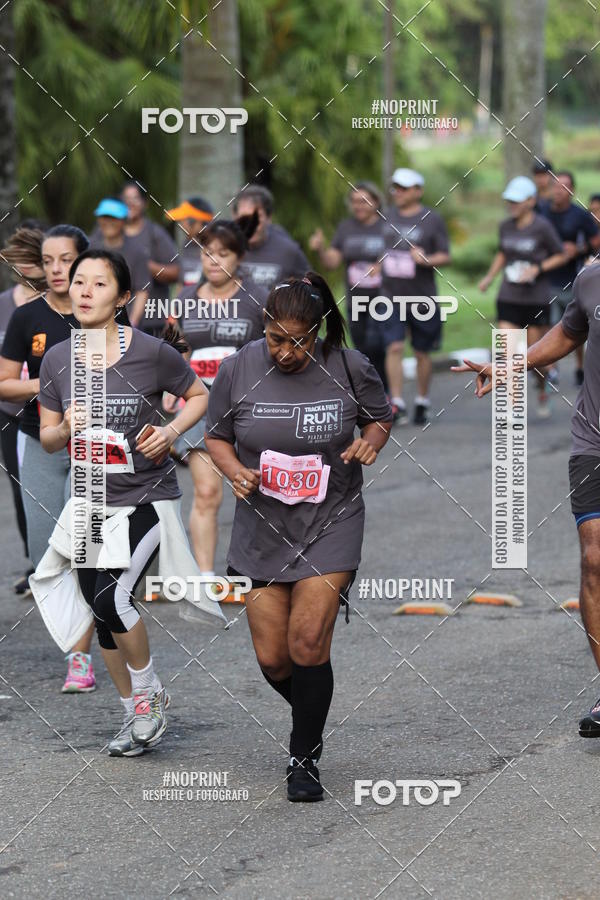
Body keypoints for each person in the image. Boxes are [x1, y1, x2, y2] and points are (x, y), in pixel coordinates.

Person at [205, 272, 392, 801]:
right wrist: (233, 470)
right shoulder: (238, 368)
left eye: (298, 340)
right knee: (274, 659)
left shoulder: (350, 366)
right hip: (261, 529)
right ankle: (312, 712)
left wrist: (370, 443)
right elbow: (215, 436)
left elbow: (379, 417)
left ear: (319, 332)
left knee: (308, 643)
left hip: (331, 521)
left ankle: (303, 756)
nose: (285, 352)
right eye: (275, 339)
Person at [33, 248, 224, 756]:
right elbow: (49, 438)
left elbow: (199, 395)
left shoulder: (150, 353)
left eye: (98, 284)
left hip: (145, 496)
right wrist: (66, 428)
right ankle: (132, 714)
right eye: (78, 283)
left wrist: (171, 432)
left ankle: (149, 693)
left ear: (121, 297)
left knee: (112, 598)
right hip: (91, 500)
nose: (85, 292)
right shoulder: (56, 359)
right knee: (102, 614)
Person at [452, 261, 600, 740]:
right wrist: (511, 364)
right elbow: (568, 331)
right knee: (595, 559)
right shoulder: (592, 277)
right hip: (593, 441)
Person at [0, 225, 98, 692]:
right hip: (38, 441)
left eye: (66, 260)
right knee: (45, 558)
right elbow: (2, 383)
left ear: (83, 262)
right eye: (49, 260)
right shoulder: (26, 317)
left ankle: (79, 657)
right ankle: (75, 641)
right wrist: (48, 387)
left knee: (85, 550)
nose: (57, 269)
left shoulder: (100, 313)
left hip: (92, 449)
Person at [172, 212, 267, 579]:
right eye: (207, 253)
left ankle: (262, 572)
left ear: (239, 258)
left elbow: (276, 351)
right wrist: (173, 387)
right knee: (208, 493)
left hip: (251, 410)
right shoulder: (184, 298)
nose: (213, 262)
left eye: (223, 254)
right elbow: (176, 350)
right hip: (201, 407)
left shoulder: (257, 299)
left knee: (257, 495)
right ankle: (204, 578)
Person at [478, 176, 568, 417]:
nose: (512, 205)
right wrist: (489, 277)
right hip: (508, 296)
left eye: (517, 200)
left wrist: (538, 269)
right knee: (509, 353)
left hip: (535, 299)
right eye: (509, 200)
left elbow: (561, 255)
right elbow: (502, 253)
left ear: (531, 201)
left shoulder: (543, 226)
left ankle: (542, 386)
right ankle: (512, 408)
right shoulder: (505, 226)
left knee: (533, 359)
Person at [381, 168, 451, 425]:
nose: (397, 192)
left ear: (418, 191)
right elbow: (382, 251)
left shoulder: (432, 219)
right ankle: (397, 402)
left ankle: (422, 400)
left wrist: (426, 259)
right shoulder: (386, 217)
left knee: (421, 352)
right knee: (395, 346)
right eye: (395, 188)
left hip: (422, 297)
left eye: (404, 188)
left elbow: (446, 255)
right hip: (389, 296)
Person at [0, 225, 47, 593]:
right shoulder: (3, 305)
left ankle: (78, 565)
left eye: (33, 261)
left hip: (58, 413)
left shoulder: (59, 306)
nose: (26, 268)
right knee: (22, 489)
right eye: (20, 261)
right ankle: (37, 566)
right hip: (10, 414)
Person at [309, 182, 388, 390]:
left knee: (376, 343)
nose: (358, 206)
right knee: (361, 345)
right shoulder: (346, 227)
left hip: (383, 298)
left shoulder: (387, 226)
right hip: (356, 298)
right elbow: (332, 261)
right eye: (354, 202)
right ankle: (372, 392)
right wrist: (321, 249)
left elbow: (401, 256)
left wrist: (383, 264)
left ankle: (385, 391)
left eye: (363, 201)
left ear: (376, 201)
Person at [120, 181, 180, 336]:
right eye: (125, 199)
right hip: (116, 320)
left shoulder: (154, 233)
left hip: (152, 321)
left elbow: (176, 272)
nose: (129, 204)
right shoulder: (109, 233)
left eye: (135, 199)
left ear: (145, 203)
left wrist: (143, 265)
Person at [232, 185, 309, 291]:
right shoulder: (225, 248)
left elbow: (312, 291)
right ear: (235, 217)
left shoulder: (289, 251)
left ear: (269, 218)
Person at [90, 198, 150, 326]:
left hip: (123, 323)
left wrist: (132, 323)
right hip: (91, 321)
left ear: (123, 221)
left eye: (114, 218)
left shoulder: (137, 252)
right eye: (104, 217)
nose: (108, 222)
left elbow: (142, 290)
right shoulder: (89, 248)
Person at [165, 196, 214, 292]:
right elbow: (182, 283)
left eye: (183, 220)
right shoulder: (188, 244)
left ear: (197, 222)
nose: (181, 225)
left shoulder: (217, 247)